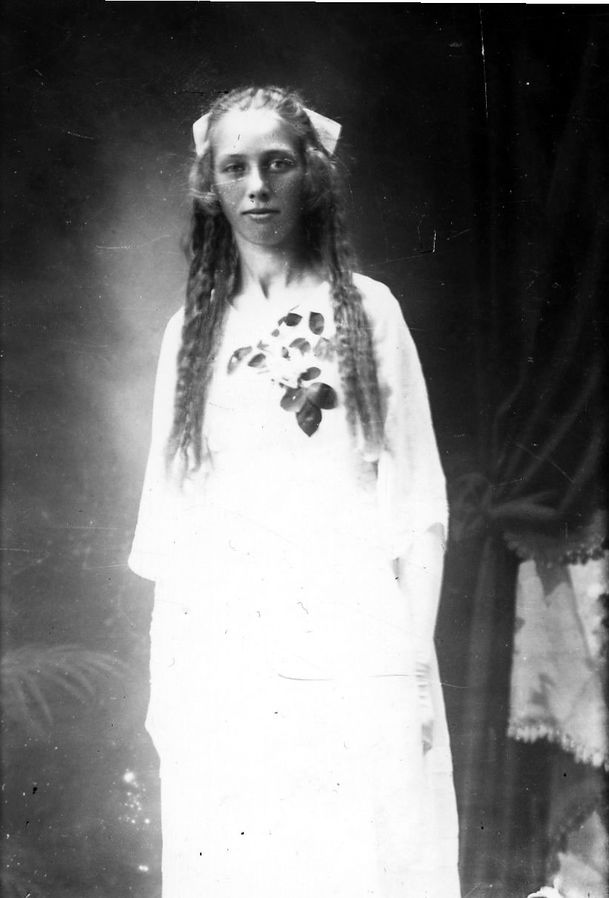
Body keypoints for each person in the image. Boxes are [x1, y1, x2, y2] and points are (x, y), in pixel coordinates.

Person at [129, 85, 461, 898]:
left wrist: (413, 666)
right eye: (234, 168)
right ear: (210, 184)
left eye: (276, 164)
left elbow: (417, 506)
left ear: (310, 174)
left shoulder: (369, 312)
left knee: (353, 855)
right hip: (227, 645)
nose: (255, 188)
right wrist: (166, 680)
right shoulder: (190, 332)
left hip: (351, 638)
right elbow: (171, 523)